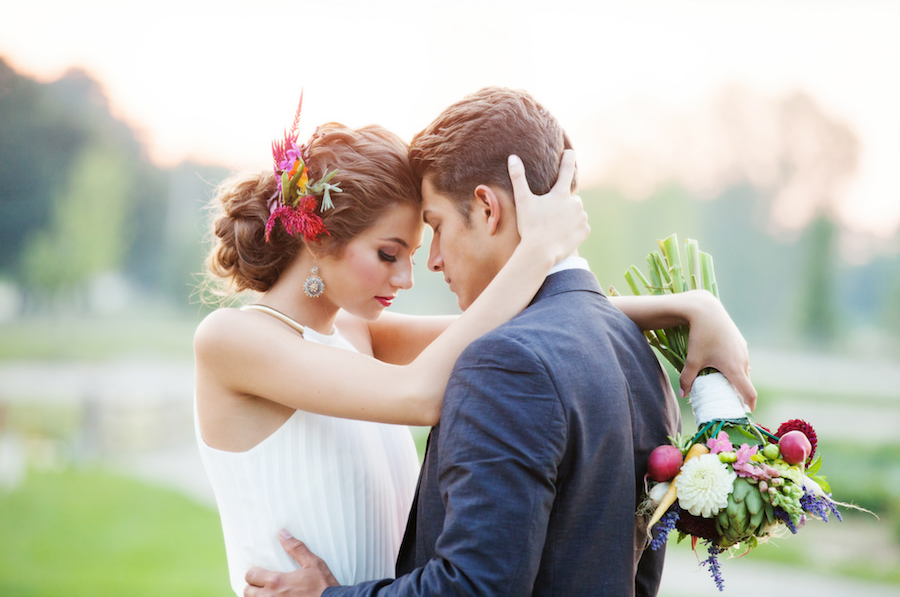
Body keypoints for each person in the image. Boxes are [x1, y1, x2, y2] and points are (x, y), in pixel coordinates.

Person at [241, 88, 757, 597]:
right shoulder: (631, 350)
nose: (431, 262)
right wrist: (691, 304)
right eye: (392, 253)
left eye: (436, 229)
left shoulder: (505, 362)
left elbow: (473, 587)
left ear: (487, 210)